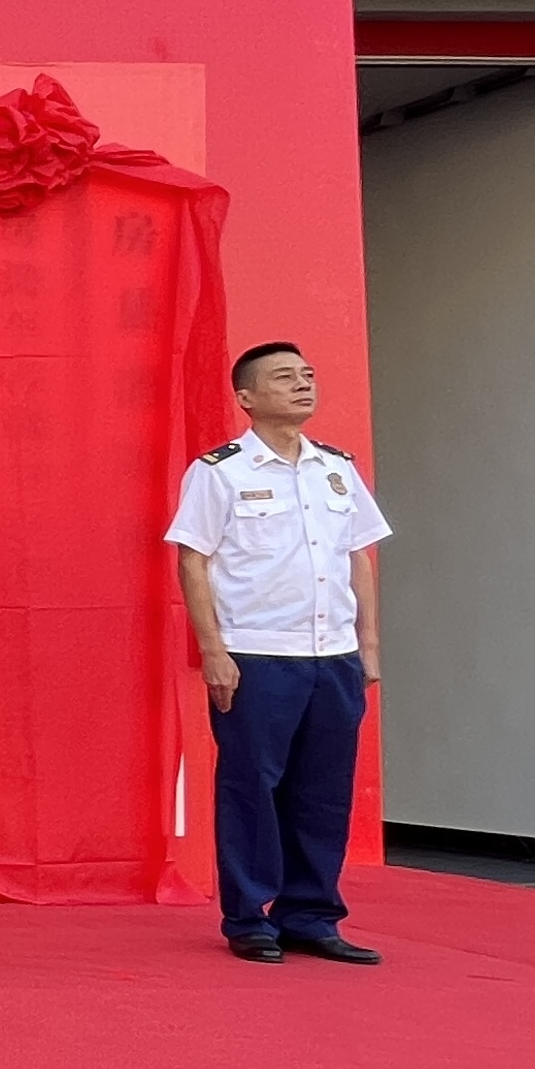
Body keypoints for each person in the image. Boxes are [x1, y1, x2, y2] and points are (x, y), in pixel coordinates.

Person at [170, 341, 393, 965]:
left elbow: (358, 557)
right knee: (252, 787)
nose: (302, 384)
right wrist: (213, 650)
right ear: (246, 397)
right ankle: (249, 917)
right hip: (257, 654)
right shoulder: (220, 471)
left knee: (324, 792)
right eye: (284, 377)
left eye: (307, 375)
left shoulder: (336, 468)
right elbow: (193, 559)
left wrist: (368, 645)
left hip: (333, 655)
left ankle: (311, 915)